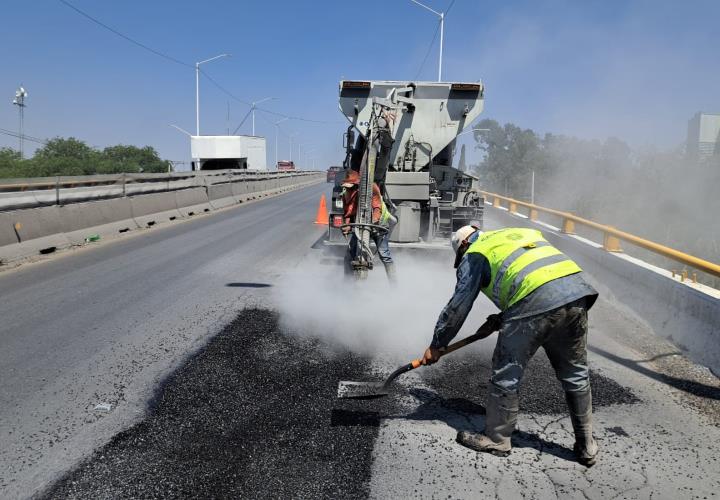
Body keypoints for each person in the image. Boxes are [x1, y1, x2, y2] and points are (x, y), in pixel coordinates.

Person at [421, 225, 600, 466]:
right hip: (576, 294)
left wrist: (437, 344)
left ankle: (497, 439)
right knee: (575, 372)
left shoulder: (475, 253)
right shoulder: (517, 234)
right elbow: (531, 276)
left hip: (538, 301)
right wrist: (500, 319)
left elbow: (458, 306)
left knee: (507, 370)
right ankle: (587, 445)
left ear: (463, 246)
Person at [341, 168, 397, 281]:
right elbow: (347, 213)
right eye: (346, 186)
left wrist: (372, 222)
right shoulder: (346, 194)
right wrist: (347, 225)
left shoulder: (371, 188)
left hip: (378, 226)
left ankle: (394, 284)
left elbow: (377, 208)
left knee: (384, 254)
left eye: (350, 186)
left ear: (357, 184)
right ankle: (347, 285)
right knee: (349, 255)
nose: (347, 188)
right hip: (360, 225)